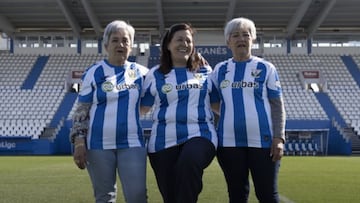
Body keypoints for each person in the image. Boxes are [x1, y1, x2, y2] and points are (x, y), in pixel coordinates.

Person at [70, 20, 148, 203]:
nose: (121, 44)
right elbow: (82, 110)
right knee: (104, 197)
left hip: (132, 143)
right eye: (115, 40)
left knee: (137, 196)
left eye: (125, 40)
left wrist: (195, 63)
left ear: (131, 45)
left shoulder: (143, 73)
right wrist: (79, 142)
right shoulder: (94, 72)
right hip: (98, 145)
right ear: (106, 45)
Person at [210, 17, 286, 203]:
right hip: (228, 144)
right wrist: (231, 116)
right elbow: (213, 103)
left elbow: (277, 105)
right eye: (235, 35)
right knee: (237, 196)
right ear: (228, 42)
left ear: (253, 39)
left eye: (246, 34)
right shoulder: (220, 70)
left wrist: (279, 137)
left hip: (263, 143)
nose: (241, 39)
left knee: (267, 195)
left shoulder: (266, 68)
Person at [140, 23, 218, 203]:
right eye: (179, 39)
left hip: (200, 134)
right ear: (168, 45)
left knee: (189, 162)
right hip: (162, 142)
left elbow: (217, 104)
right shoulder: (155, 75)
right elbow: (142, 108)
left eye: (188, 40)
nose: (184, 43)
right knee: (172, 196)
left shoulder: (205, 70)